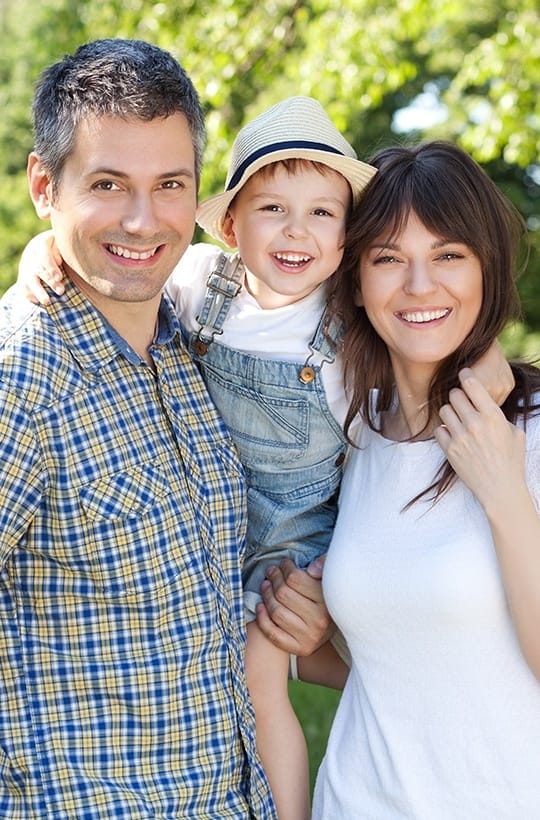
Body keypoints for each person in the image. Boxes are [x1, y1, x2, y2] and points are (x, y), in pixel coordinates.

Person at [17, 102, 516, 819]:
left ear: (347, 238)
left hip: (291, 544)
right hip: (201, 527)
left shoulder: (346, 325)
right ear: (229, 226)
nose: (296, 231)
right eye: (273, 209)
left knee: (260, 678)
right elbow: (106, 271)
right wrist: (44, 254)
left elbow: (434, 330)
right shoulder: (194, 283)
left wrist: (487, 371)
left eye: (322, 214)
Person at [0, 39, 330, 819]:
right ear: (45, 186)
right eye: (108, 184)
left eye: (170, 184)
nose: (144, 220)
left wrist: (299, 616)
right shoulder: (22, 375)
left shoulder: (194, 344)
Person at [310, 140, 540, 819]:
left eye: (448, 255)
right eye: (388, 258)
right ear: (355, 278)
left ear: (485, 269)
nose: (419, 286)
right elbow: (396, 656)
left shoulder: (529, 432)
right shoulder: (350, 432)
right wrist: (301, 641)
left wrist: (504, 493)